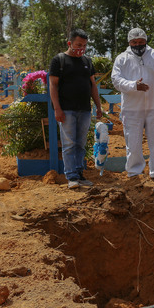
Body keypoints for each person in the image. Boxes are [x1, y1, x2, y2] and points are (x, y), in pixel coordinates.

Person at [112, 28, 154, 180]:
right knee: (133, 143)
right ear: (129, 42)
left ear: (146, 41)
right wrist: (134, 86)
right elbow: (116, 80)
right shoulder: (122, 59)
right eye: (134, 42)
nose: (138, 45)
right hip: (132, 108)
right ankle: (134, 172)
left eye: (141, 42)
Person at [49, 29, 102, 189]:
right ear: (69, 43)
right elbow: (53, 85)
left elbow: (93, 85)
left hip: (85, 109)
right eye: (79, 45)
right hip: (67, 110)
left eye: (85, 45)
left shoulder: (87, 61)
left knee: (81, 144)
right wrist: (57, 108)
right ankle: (71, 177)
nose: (82, 48)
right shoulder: (59, 60)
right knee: (69, 144)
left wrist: (98, 106)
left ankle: (80, 174)